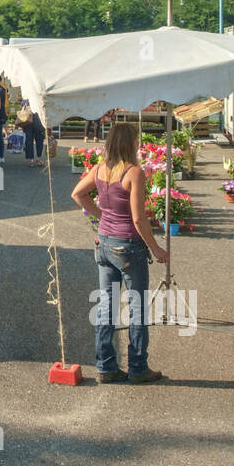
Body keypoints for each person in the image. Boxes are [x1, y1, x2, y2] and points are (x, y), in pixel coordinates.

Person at [71, 122, 168, 384]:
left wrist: (102, 216)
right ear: (131, 143)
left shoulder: (101, 169)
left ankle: (106, 366)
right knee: (137, 307)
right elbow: (138, 219)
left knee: (106, 306)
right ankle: (137, 368)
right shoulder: (134, 173)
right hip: (128, 246)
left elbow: (78, 194)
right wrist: (156, 248)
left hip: (103, 243)